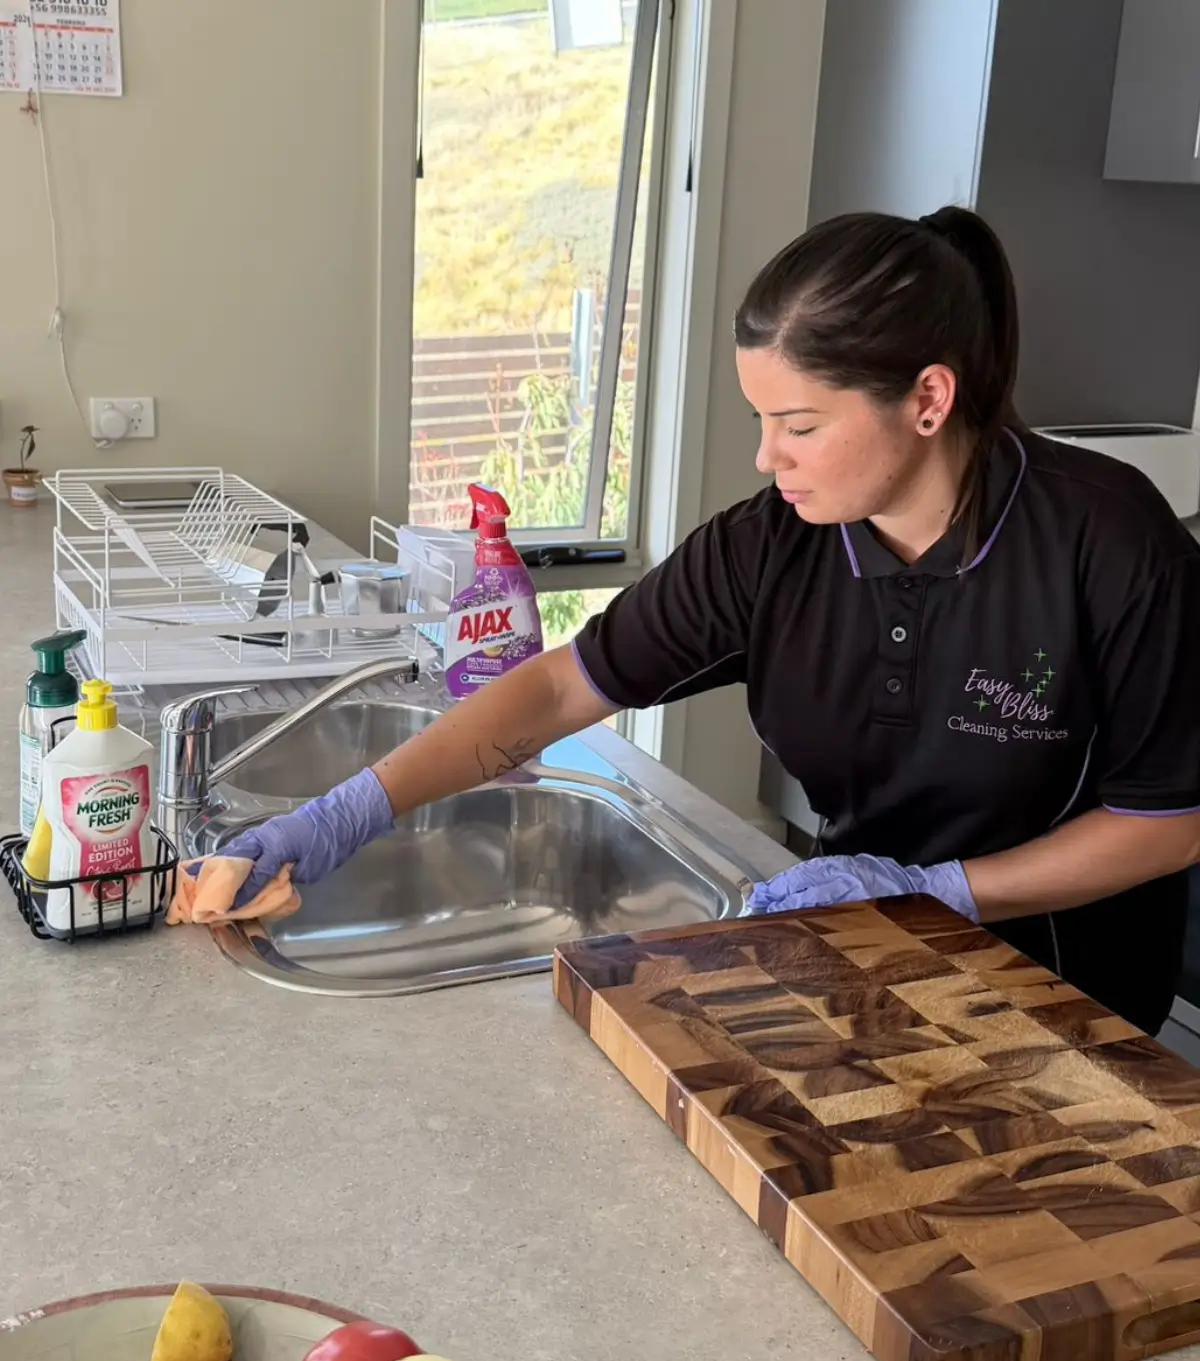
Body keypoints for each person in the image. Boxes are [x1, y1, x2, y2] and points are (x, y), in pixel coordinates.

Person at [222, 205, 1200, 1035]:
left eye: (802, 425)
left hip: (1068, 1004)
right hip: (868, 950)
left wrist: (943, 891)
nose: (771, 459)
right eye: (760, 421)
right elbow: (565, 685)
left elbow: (1167, 821)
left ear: (930, 399)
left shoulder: (1109, 541)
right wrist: (352, 809)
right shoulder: (769, 547)